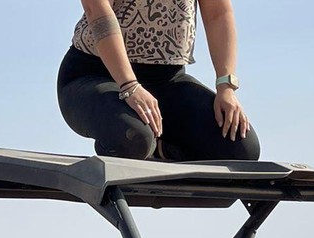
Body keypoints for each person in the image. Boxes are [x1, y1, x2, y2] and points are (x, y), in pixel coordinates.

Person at [58, 0, 260, 162]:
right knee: (134, 138)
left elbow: (219, 12)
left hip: (167, 80)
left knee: (241, 148)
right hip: (94, 76)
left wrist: (226, 86)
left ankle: (162, 148)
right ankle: (122, 144)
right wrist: (129, 85)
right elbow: (97, 10)